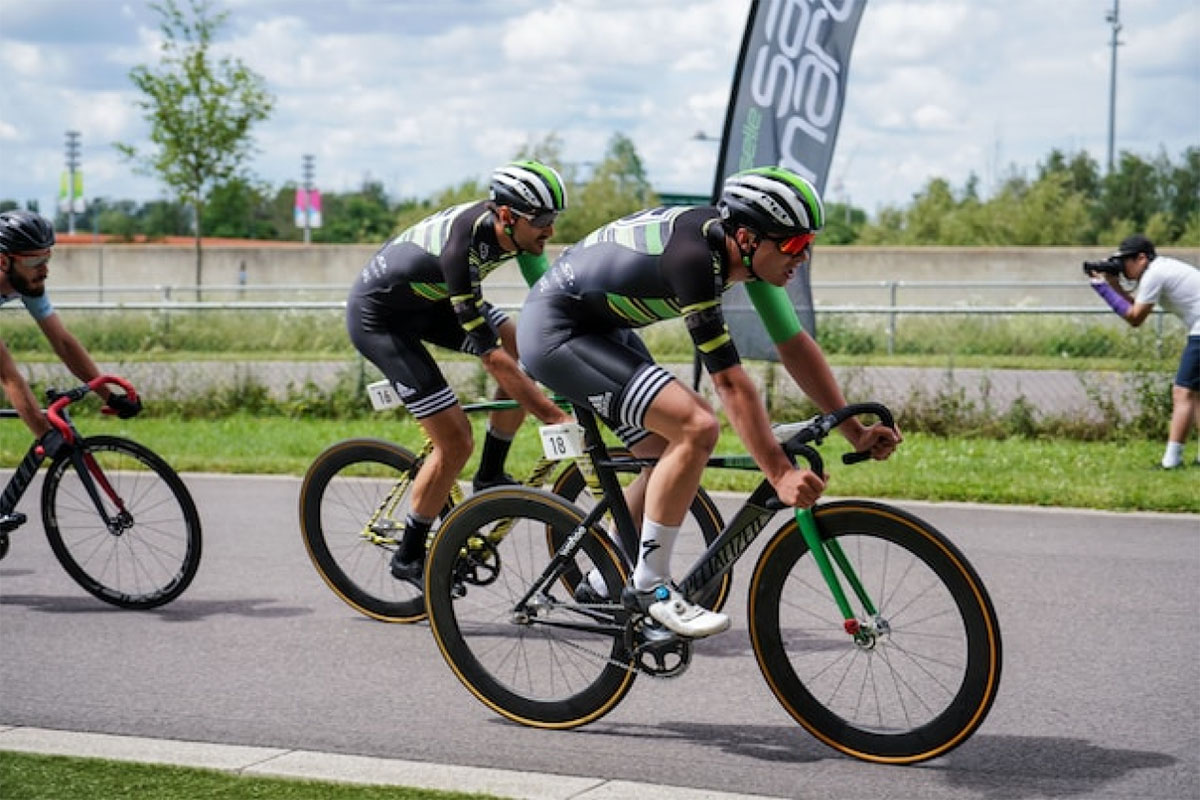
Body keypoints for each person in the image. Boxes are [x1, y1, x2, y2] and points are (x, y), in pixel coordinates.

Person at [517, 166, 901, 638]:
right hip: (554, 333)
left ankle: (603, 579)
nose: (802, 257)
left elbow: (794, 345)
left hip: (598, 329)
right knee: (696, 425)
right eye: (794, 246)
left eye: (808, 245)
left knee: (663, 454)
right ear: (745, 236)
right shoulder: (695, 259)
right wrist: (778, 472)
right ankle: (651, 587)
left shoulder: (749, 256)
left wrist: (855, 430)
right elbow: (731, 384)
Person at [345, 160, 574, 588]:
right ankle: (409, 554)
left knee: (528, 346)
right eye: (542, 220)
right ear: (507, 215)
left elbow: (548, 294)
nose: (550, 230)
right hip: (383, 320)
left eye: (554, 218)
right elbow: (492, 359)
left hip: (431, 301)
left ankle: (490, 473)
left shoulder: (516, 234)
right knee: (454, 440)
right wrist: (553, 416)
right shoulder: (461, 248)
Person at [0, 210, 143, 503]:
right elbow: (7, 374)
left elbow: (63, 342)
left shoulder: (29, 282)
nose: (44, 269)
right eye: (35, 261)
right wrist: (43, 432)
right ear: (4, 261)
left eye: (47, 258)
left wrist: (108, 395)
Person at [1086, 233, 1200, 469]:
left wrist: (1102, 289)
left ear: (1141, 258)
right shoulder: (1160, 269)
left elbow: (1135, 318)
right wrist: (1114, 284)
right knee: (1195, 395)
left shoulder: (1154, 274)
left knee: (1183, 392)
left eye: (1125, 262)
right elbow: (1137, 305)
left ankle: (1171, 461)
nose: (1123, 268)